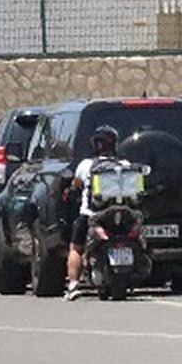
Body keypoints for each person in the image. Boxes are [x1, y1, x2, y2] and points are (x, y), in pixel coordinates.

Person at [64, 124, 118, 300]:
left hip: (90, 215)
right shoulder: (123, 164)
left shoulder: (85, 165)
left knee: (76, 248)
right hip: (119, 214)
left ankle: (73, 284)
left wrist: (71, 189)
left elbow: (76, 184)